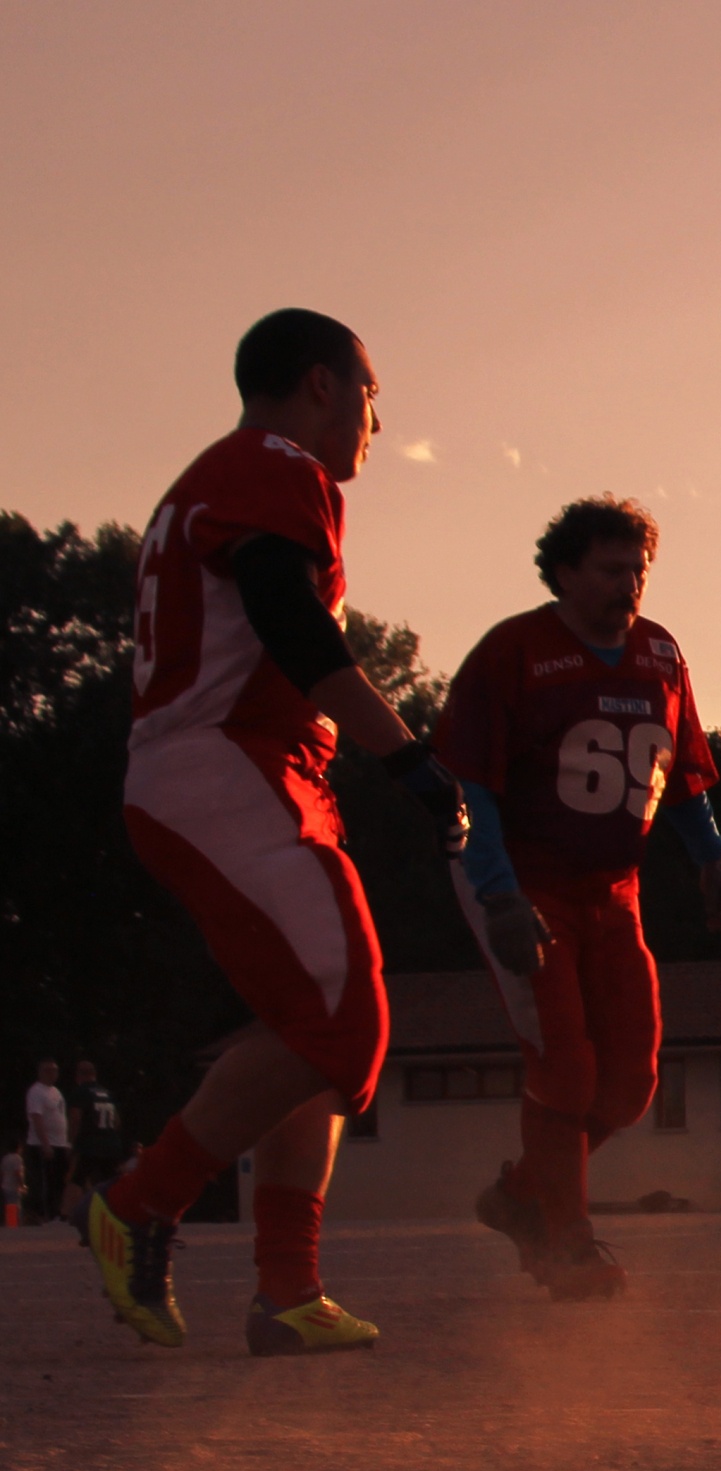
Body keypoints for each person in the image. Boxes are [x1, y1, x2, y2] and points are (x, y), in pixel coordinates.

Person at [80, 307, 466, 1353]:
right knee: (344, 1018)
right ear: (323, 384)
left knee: (316, 1035)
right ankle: (137, 1204)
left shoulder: (228, 474)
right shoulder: (276, 463)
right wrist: (409, 757)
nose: (378, 421)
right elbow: (293, 622)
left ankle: (286, 1290)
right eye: (372, 393)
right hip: (222, 764)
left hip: (242, 770)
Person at [434, 495, 721, 1300]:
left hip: (614, 889)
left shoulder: (660, 655)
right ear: (564, 571)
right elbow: (471, 787)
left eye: (638, 568)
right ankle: (567, 1242)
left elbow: (677, 779)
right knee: (564, 1067)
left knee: (631, 1082)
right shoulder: (514, 651)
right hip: (525, 879)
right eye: (610, 569)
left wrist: (712, 859)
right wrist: (499, 893)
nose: (629, 584)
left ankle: (520, 1197)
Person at [67, 1060, 125, 1198]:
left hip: (90, 1144)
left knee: (76, 1180)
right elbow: (117, 1122)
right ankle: (118, 1213)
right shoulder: (107, 1093)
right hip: (111, 1144)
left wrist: (71, 1143)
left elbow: (75, 1120)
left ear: (78, 1076)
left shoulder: (81, 1092)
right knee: (111, 1182)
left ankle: (65, 1215)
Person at [25, 1059, 69, 1222]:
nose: (52, 1074)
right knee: (42, 1181)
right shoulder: (36, 1091)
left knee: (58, 1180)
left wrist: (66, 1143)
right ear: (41, 1072)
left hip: (59, 1143)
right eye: (48, 1070)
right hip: (41, 1144)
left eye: (55, 1070)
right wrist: (45, 1144)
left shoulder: (56, 1092)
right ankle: (39, 1214)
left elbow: (61, 1118)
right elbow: (37, 1117)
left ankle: (55, 1213)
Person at [1, 1141, 26, 1227]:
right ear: (18, 1148)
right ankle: (14, 1224)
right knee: (15, 1205)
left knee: (9, 1204)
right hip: (13, 1186)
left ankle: (10, 1222)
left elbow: (2, 1173)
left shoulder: (5, 1158)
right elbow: (17, 1172)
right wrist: (22, 1185)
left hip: (5, 1185)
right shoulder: (17, 1158)